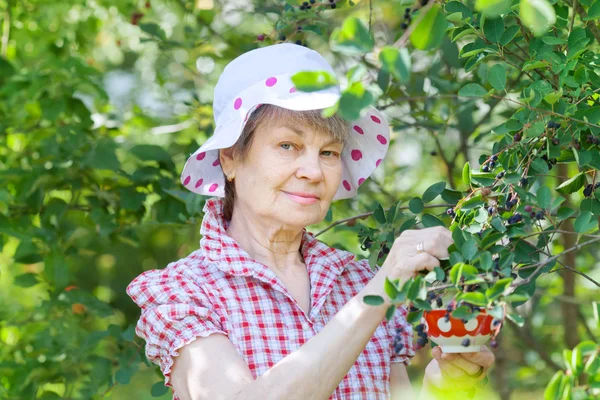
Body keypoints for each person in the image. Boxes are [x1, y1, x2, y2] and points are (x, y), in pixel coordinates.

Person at [126, 43, 495, 400]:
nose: (314, 171)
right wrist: (379, 292)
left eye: (329, 152)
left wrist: (448, 383)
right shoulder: (183, 292)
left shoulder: (357, 281)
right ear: (231, 159)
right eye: (288, 145)